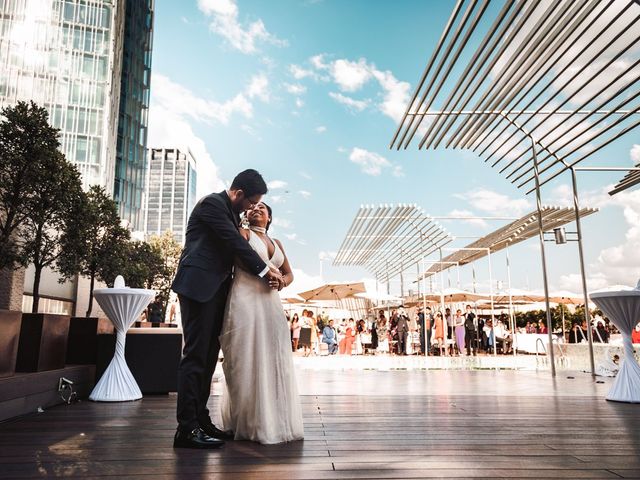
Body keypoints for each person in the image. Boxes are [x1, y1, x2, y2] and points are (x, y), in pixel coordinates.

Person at [171, 169, 284, 449]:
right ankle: (185, 430)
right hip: (198, 287)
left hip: (216, 291)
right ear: (238, 193)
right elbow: (233, 242)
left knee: (209, 358)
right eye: (250, 202)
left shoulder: (232, 213)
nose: (251, 208)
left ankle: (201, 420)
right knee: (195, 357)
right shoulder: (212, 204)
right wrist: (265, 270)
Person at [219, 201, 304, 444]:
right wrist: (269, 273)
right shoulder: (242, 233)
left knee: (272, 357)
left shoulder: (278, 244)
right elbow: (242, 259)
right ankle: (246, 422)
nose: (256, 209)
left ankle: (273, 420)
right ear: (247, 215)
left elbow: (289, 273)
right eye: (253, 207)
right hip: (245, 300)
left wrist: (282, 282)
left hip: (271, 305)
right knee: (244, 357)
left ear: (269, 218)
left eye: (262, 208)